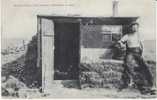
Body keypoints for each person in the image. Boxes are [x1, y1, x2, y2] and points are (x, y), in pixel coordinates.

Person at [117, 22, 155, 95]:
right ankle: (131, 83)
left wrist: (143, 53)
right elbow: (120, 42)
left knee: (145, 67)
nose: (134, 28)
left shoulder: (139, 36)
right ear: (131, 28)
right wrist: (122, 45)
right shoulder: (127, 36)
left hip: (138, 53)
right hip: (130, 52)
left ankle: (151, 86)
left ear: (138, 28)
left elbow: (142, 45)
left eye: (136, 27)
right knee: (128, 66)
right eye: (133, 27)